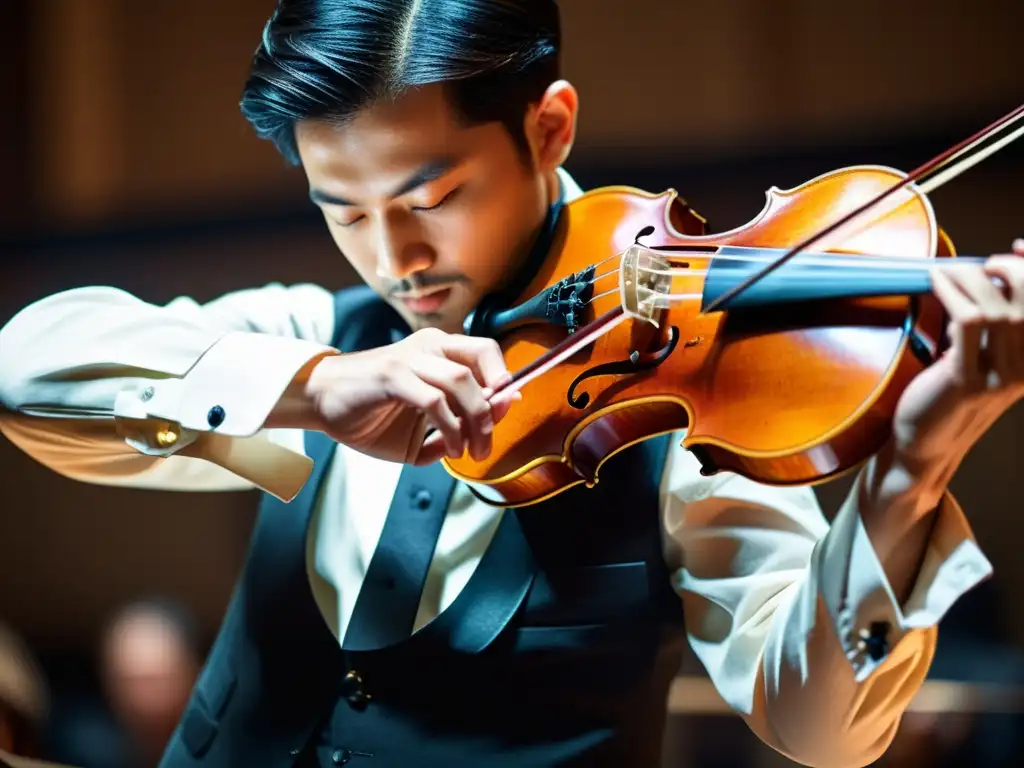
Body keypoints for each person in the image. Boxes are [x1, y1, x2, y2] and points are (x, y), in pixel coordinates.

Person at [0, 1, 1021, 765]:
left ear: (548, 129)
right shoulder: (324, 337)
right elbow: (23, 368)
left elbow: (819, 732)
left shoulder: (675, 400)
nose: (394, 259)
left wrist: (912, 469)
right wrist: (317, 388)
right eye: (342, 212)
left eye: (433, 196)